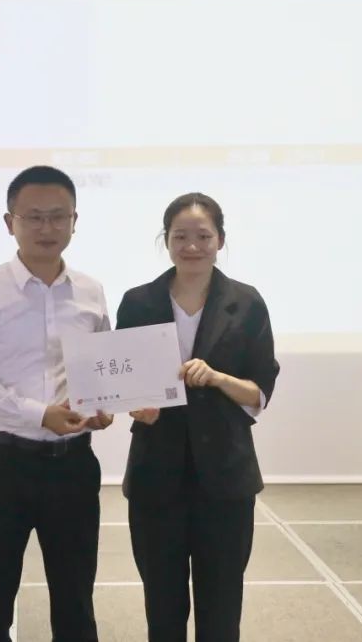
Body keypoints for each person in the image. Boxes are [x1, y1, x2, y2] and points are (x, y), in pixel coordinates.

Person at [0, 165, 114, 642]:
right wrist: (39, 414)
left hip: (73, 467)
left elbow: (100, 369)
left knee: (76, 602)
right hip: (3, 466)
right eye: (34, 217)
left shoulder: (91, 291)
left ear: (75, 221)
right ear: (10, 222)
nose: (47, 228)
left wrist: (103, 408)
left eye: (58, 216)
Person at [118, 192, 280, 642]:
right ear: (166, 240)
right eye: (180, 236)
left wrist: (218, 378)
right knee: (162, 607)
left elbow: (259, 391)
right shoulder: (138, 302)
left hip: (226, 477)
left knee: (222, 607)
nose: (192, 246)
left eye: (203, 236)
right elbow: (125, 381)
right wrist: (137, 406)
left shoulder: (247, 302)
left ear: (220, 240)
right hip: (155, 475)